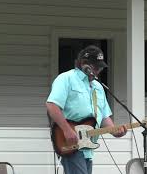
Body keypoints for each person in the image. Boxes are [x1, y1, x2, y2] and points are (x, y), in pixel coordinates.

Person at [46, 45, 127, 174]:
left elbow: (104, 116)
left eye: (100, 67)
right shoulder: (66, 78)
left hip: (88, 145)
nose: (98, 70)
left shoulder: (98, 87)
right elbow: (52, 105)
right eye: (96, 67)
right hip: (70, 141)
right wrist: (67, 130)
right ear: (84, 64)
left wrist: (114, 131)